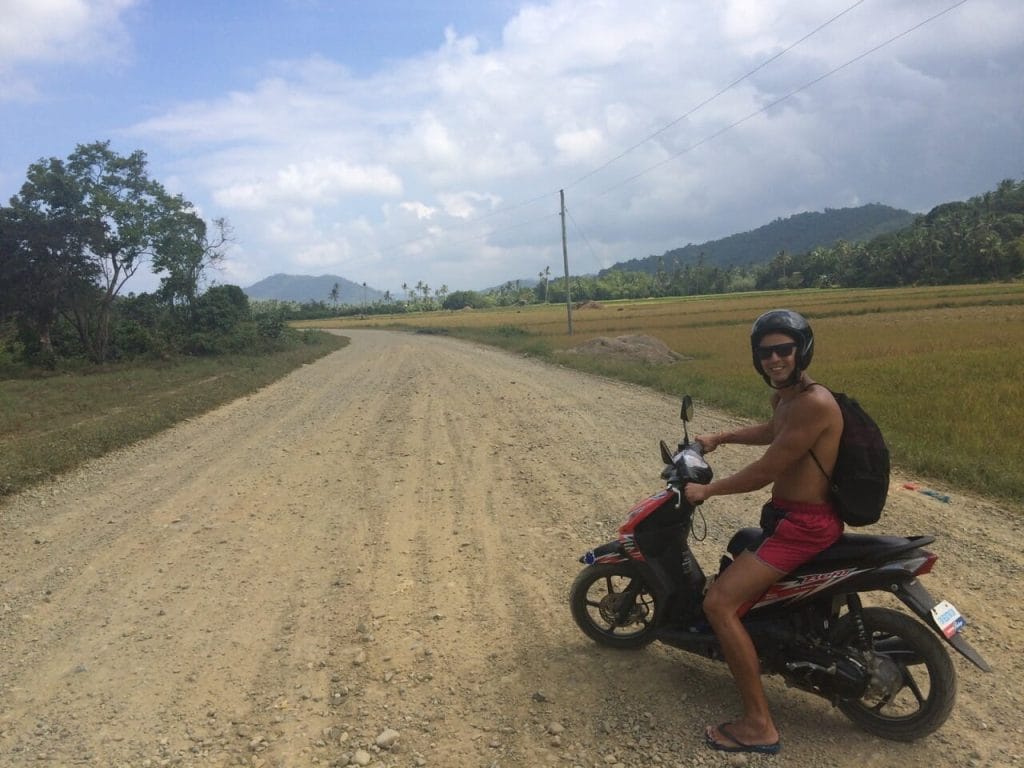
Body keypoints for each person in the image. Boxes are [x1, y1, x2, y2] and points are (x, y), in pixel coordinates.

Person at [683, 309, 844, 756]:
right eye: (765, 352)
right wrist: (721, 437)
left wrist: (708, 490)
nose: (774, 359)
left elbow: (767, 469)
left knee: (718, 603)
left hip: (805, 527)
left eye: (783, 350)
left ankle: (759, 725)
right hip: (787, 517)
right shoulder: (787, 398)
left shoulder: (814, 403)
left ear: (801, 350)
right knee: (739, 552)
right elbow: (775, 432)